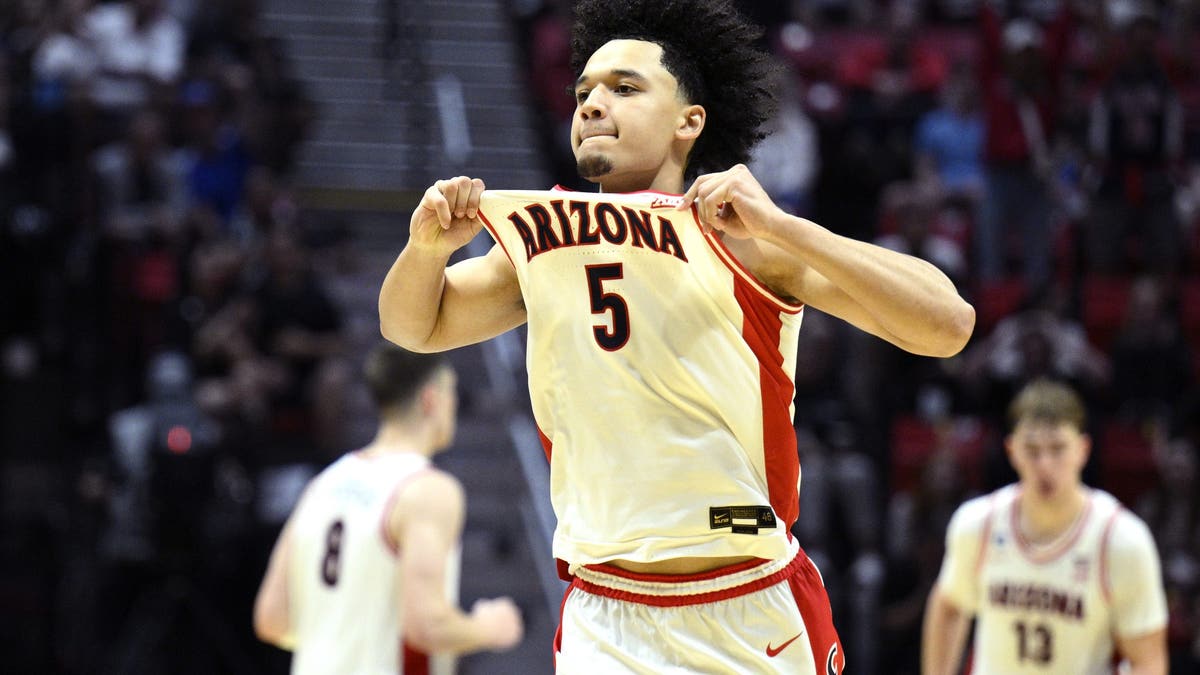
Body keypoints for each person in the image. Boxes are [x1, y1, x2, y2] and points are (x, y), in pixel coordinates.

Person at [379, 0, 974, 672]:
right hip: (606, 610)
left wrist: (783, 226)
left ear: (690, 121)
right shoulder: (538, 238)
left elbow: (948, 324)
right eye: (584, 92)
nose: (593, 104)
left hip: (746, 603)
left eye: (624, 89)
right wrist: (425, 249)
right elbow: (412, 326)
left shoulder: (742, 236)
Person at [253, 342, 524, 674]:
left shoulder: (322, 484)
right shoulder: (426, 490)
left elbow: (272, 619)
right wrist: (489, 627)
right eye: (452, 392)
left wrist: (339, 637)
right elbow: (426, 626)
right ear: (431, 400)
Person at [921, 379, 1168, 675]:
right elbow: (949, 606)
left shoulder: (1121, 539)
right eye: (1032, 449)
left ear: (1083, 449)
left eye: (1058, 448)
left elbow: (1148, 660)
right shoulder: (978, 523)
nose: (1045, 464)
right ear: (1012, 450)